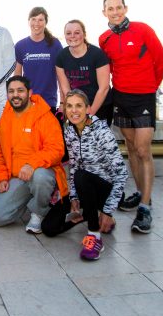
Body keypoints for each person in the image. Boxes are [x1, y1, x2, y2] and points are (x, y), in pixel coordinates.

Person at [99, 0, 163, 233]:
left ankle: (145, 207)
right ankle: (140, 193)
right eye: (110, 8)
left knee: (143, 149)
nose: (115, 12)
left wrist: (151, 87)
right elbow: (107, 69)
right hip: (121, 97)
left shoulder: (143, 29)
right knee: (130, 148)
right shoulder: (104, 38)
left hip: (144, 96)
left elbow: (160, 61)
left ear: (125, 9)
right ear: (104, 12)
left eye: (118, 7)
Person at [42, 90, 128, 261]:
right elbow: (73, 166)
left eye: (79, 106)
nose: (74, 110)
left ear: (88, 109)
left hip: (106, 191)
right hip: (84, 189)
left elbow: (121, 173)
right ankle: (88, 215)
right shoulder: (69, 132)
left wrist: (108, 210)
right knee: (49, 228)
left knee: (82, 175)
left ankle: (94, 236)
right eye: (69, 106)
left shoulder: (101, 131)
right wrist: (74, 197)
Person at [0, 75, 67, 234]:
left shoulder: (45, 116)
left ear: (30, 93)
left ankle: (38, 212)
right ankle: (32, 198)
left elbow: (56, 149)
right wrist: (1, 177)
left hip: (41, 172)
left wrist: (31, 164)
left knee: (40, 177)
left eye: (20, 90)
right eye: (11, 91)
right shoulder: (6, 117)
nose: (15, 95)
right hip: (17, 176)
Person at [56, 19, 112, 124]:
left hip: (100, 106)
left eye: (77, 33)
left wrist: (90, 114)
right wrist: (74, 109)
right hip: (77, 108)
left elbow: (104, 88)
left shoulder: (97, 54)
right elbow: (66, 89)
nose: (72, 36)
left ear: (84, 34)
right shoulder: (61, 56)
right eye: (68, 33)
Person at [14, 7, 63, 114]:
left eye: (40, 20)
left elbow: (61, 77)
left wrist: (63, 103)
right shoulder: (20, 46)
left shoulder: (55, 44)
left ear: (45, 22)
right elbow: (17, 77)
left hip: (49, 103)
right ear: (28, 21)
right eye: (33, 19)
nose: (37, 23)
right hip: (27, 103)